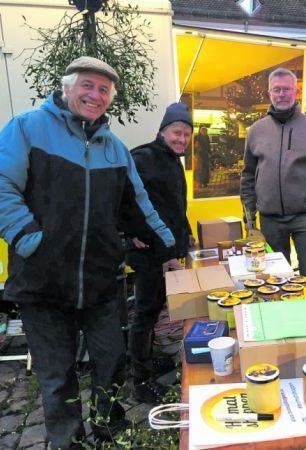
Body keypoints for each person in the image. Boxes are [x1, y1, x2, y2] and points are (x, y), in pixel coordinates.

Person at [0, 56, 175, 450]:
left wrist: (168, 244)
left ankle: (106, 426)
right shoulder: (27, 128)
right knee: (57, 376)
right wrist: (31, 239)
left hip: (100, 281)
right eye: (87, 85)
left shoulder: (114, 148)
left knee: (111, 360)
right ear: (67, 87)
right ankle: (68, 441)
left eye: (104, 90)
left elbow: (137, 204)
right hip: (43, 282)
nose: (95, 95)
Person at [240, 67, 306, 319]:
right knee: (273, 280)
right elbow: (248, 174)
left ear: (296, 91)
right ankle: (282, 328)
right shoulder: (256, 131)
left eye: (287, 89)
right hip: (270, 219)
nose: (282, 94)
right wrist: (249, 214)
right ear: (269, 92)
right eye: (277, 89)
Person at [126, 102, 195, 403]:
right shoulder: (143, 157)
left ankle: (146, 359)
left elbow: (174, 205)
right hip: (148, 253)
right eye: (176, 133)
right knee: (145, 313)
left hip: (166, 249)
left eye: (186, 135)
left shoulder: (171, 160)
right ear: (163, 131)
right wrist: (129, 233)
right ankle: (140, 380)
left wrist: (187, 232)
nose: (181, 139)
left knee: (154, 311)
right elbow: (120, 196)